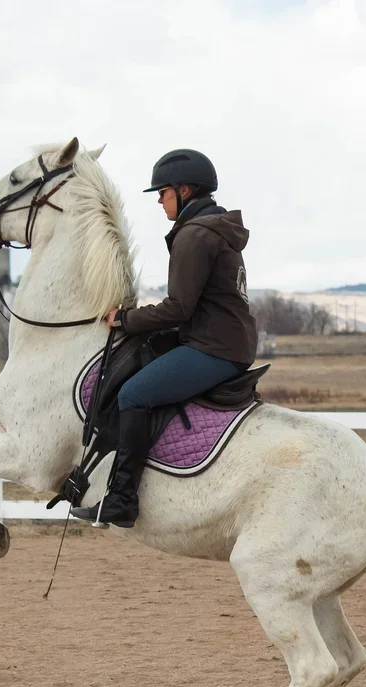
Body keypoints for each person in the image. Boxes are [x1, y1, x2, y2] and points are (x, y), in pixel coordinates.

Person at [72, 148, 258, 527]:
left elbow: (178, 309)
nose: (159, 200)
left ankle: (122, 499)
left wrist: (125, 318)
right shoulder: (212, 230)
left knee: (134, 394)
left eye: (163, 192)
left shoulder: (195, 235)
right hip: (220, 339)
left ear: (184, 190)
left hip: (214, 348)